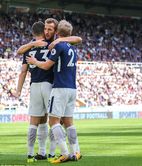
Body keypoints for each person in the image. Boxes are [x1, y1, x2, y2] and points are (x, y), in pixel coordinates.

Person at [16, 18, 82, 162]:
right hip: (55, 86)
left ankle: (44, 153)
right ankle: (55, 152)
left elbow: (21, 56)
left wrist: (18, 90)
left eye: (50, 29)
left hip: (52, 86)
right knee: (48, 120)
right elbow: (77, 39)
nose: (47, 32)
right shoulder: (60, 45)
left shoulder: (55, 44)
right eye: (45, 29)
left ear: (56, 31)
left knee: (47, 120)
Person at [15, 21, 52, 163]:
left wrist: (18, 90)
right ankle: (49, 152)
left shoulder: (28, 49)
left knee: (35, 121)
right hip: (49, 84)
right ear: (44, 31)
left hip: (34, 85)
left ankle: (31, 155)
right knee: (51, 120)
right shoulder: (51, 44)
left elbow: (23, 71)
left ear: (32, 33)